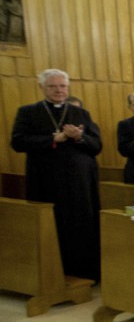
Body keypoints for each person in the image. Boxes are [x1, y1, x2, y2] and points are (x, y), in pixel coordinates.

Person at [11, 68, 102, 281]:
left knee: (83, 226)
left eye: (62, 86)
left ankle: (88, 273)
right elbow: (18, 142)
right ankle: (55, 274)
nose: (59, 90)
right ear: (41, 87)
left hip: (80, 185)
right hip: (46, 183)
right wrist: (54, 139)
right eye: (52, 86)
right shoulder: (28, 112)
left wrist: (80, 137)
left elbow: (97, 145)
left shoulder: (81, 114)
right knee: (53, 226)